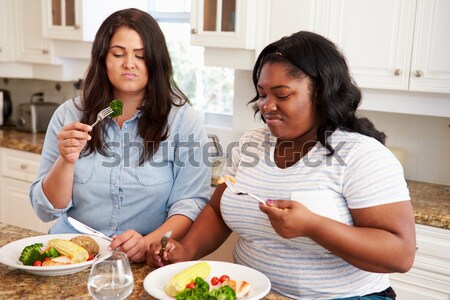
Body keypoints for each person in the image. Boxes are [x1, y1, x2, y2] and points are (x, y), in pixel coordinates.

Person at [147, 31, 416, 299]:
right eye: (262, 94)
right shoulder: (251, 143)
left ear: (321, 92)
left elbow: (400, 254)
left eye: (282, 95)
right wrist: (186, 251)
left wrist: (313, 226)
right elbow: (218, 210)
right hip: (251, 294)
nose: (267, 106)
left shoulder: (362, 154)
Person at [29, 8, 211, 263]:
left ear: (156, 61)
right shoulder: (69, 115)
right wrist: (66, 160)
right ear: (103, 58)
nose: (129, 63)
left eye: (141, 56)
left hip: (141, 261)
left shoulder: (182, 120)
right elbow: (45, 210)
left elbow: (190, 203)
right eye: (118, 54)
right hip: (70, 256)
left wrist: (147, 244)